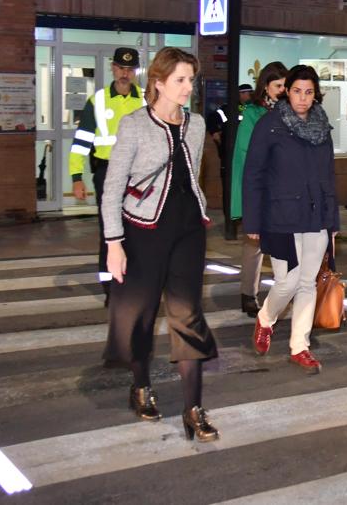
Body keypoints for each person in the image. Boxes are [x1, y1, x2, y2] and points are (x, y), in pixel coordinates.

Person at [100, 47, 219, 441]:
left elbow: (192, 175)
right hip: (143, 231)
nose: (188, 88)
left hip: (188, 231)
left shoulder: (197, 124)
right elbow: (113, 188)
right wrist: (114, 243)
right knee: (140, 314)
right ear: (159, 82)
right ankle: (140, 386)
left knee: (187, 314)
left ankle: (193, 409)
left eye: (191, 80)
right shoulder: (134, 125)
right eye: (181, 80)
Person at [243, 65, 339, 375]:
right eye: (297, 91)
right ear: (287, 91)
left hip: (316, 215)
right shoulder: (270, 125)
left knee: (308, 282)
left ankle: (300, 345)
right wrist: (253, 222)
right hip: (280, 216)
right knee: (287, 281)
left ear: (316, 93)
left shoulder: (322, 128)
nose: (302, 98)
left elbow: (328, 176)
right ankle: (266, 317)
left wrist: (333, 221)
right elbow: (253, 174)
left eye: (308, 92)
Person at [70, 47, 145, 307]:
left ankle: (133, 284)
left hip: (138, 176)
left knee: (138, 233)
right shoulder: (98, 101)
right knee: (110, 233)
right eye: (120, 68)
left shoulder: (146, 101)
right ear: (112, 68)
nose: (125, 74)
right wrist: (76, 176)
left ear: (135, 72)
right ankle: (111, 289)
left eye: (129, 69)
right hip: (107, 174)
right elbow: (81, 142)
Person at [230, 65, 287, 316]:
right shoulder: (253, 114)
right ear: (265, 86)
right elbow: (245, 158)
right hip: (260, 189)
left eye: (286, 86)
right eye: (278, 86)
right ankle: (248, 294)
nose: (283, 91)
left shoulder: (289, 111)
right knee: (254, 245)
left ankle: (284, 292)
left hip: (283, 189)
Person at [206, 84, 253, 208]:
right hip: (230, 156)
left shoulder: (254, 109)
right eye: (245, 93)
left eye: (250, 93)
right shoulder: (228, 109)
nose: (248, 95)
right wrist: (214, 132)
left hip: (248, 156)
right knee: (230, 189)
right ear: (240, 94)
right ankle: (231, 219)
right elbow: (212, 119)